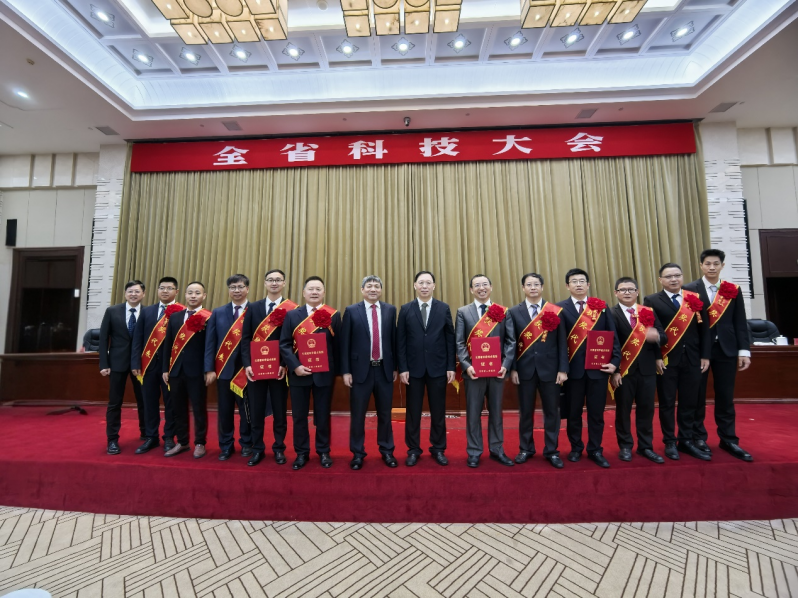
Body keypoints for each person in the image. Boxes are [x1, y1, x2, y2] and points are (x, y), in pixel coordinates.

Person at [684, 249, 753, 461]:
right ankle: (698, 437)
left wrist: (744, 350)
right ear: (701, 265)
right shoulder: (689, 289)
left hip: (727, 349)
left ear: (722, 265)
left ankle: (729, 439)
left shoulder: (732, 290)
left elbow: (740, 321)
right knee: (697, 395)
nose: (712, 267)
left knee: (725, 395)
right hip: (699, 351)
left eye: (716, 264)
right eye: (707, 264)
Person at [644, 263, 711, 461]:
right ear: (660, 280)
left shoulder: (694, 298)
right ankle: (670, 441)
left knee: (690, 401)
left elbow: (704, 330)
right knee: (666, 403)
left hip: (693, 358)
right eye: (668, 276)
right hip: (667, 360)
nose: (673, 279)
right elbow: (651, 331)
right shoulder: (652, 300)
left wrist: (705, 355)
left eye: (677, 275)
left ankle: (686, 440)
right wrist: (657, 357)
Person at [557, 268, 621, 468]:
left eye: (582, 281)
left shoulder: (601, 307)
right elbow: (558, 343)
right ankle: (576, 448)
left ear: (588, 284)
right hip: (573, 371)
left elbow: (612, 336)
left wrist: (615, 362)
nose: (578, 284)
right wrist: (562, 368)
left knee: (596, 414)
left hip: (598, 370)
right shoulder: (559, 308)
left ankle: (595, 449)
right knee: (573, 413)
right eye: (574, 281)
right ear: (567, 286)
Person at [454, 274, 516, 468]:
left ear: (491, 287)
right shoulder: (463, 312)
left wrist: (505, 364)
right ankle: (474, 451)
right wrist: (467, 365)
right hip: (474, 373)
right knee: (473, 413)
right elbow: (459, 342)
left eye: (484, 284)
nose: (481, 288)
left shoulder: (503, 311)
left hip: (497, 372)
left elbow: (511, 341)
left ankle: (497, 449)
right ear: (471, 290)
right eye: (477, 285)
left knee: (496, 413)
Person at [508, 273, 568, 469]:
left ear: (542, 287)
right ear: (523, 288)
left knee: (552, 412)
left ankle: (552, 450)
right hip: (524, 370)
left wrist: (563, 369)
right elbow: (512, 343)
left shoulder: (555, 311)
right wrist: (513, 369)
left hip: (551, 370)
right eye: (529, 284)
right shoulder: (514, 312)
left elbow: (562, 342)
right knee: (525, 412)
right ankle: (526, 448)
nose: (533, 287)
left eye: (536, 284)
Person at [280, 276, 341, 469]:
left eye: (318, 289)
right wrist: (295, 366)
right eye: (311, 289)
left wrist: (337, 371)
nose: (314, 292)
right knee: (299, 416)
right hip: (299, 374)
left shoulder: (333, 315)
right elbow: (284, 344)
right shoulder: (292, 315)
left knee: (323, 415)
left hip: (324, 375)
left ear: (324, 293)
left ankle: (323, 451)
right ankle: (301, 453)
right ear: (304, 293)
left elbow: (338, 346)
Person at [396, 271, 456, 467]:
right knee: (413, 412)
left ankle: (438, 448)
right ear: (415, 285)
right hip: (413, 370)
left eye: (428, 283)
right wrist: (402, 367)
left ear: (434, 286)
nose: (424, 286)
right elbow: (400, 341)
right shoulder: (406, 309)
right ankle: (413, 449)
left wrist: (451, 366)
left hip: (438, 368)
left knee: (438, 411)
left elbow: (449, 338)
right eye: (421, 282)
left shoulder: (443, 308)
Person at [340, 275, 398, 470]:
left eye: (376, 286)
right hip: (359, 372)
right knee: (358, 415)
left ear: (381, 290)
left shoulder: (390, 310)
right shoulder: (351, 311)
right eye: (369, 286)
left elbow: (394, 340)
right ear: (362, 290)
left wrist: (395, 367)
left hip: (384, 370)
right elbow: (345, 343)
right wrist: (346, 371)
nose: (373, 289)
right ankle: (357, 453)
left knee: (385, 414)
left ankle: (387, 451)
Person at [240, 269, 296, 467]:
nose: (274, 283)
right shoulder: (253, 308)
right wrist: (247, 364)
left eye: (278, 280)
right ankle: (257, 449)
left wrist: (284, 364)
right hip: (256, 369)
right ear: (264, 283)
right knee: (256, 411)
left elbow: (293, 341)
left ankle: (279, 448)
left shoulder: (292, 309)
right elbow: (245, 338)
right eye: (270, 280)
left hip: (280, 370)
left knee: (280, 412)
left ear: (284, 283)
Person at [609, 277, 667, 464]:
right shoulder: (611, 313)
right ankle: (625, 446)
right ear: (616, 293)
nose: (627, 292)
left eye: (630, 289)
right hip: (623, 371)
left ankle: (646, 446)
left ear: (637, 292)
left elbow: (663, 336)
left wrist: (657, 338)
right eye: (622, 290)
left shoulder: (647, 311)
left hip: (647, 369)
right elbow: (610, 344)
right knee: (623, 410)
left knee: (646, 409)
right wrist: (615, 371)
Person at [205, 274, 253, 461]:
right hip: (223, 369)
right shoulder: (218, 312)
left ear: (247, 289)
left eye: (240, 287)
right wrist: (209, 368)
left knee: (247, 411)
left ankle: (247, 443)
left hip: (246, 371)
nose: (237, 290)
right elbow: (210, 343)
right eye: (233, 287)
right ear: (228, 290)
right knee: (224, 411)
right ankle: (226, 445)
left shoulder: (255, 311)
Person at [131, 277, 181, 454]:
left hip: (171, 366)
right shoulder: (147, 311)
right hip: (148, 364)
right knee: (149, 401)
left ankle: (169, 437)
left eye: (169, 288)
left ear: (176, 291)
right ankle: (151, 436)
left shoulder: (181, 311)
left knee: (170, 403)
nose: (165, 291)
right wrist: (135, 362)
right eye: (162, 288)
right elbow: (138, 338)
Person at [162, 282, 211, 458]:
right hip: (175, 370)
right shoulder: (175, 317)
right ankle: (182, 442)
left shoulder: (208, 317)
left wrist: (208, 369)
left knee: (199, 408)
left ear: (204, 296)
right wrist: (165, 368)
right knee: (178, 408)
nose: (193, 296)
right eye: (190, 292)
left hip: (197, 372)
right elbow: (167, 344)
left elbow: (210, 347)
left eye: (197, 293)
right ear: (185, 294)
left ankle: (200, 443)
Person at [99, 280, 146, 455]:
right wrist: (104, 363)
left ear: (143, 294)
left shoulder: (148, 312)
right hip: (117, 363)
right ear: (125, 293)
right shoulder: (112, 311)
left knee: (144, 400)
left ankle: (146, 433)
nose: (133, 294)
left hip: (140, 365)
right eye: (130, 291)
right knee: (115, 402)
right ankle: (112, 439)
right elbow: (103, 338)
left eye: (137, 291)